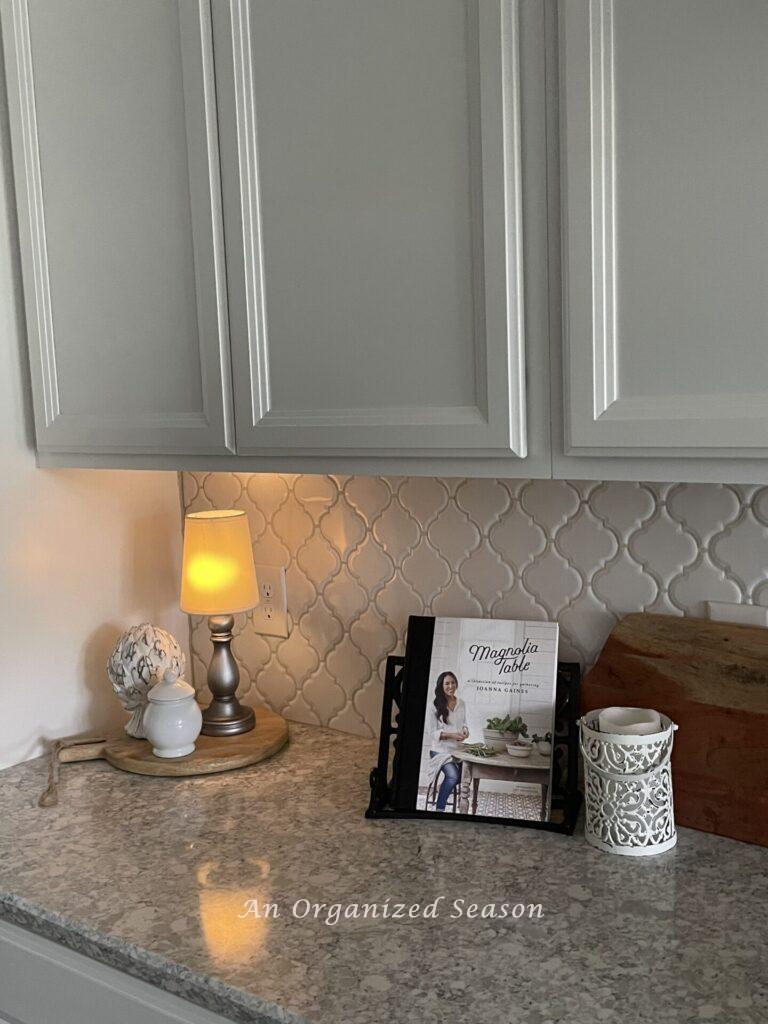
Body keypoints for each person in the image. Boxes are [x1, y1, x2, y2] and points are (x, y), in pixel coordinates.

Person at [427, 671, 469, 811]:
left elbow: (463, 723)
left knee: (467, 775)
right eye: (447, 683)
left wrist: (465, 730)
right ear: (441, 686)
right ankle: (440, 809)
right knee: (453, 776)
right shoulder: (433, 706)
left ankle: (442, 788)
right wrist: (452, 735)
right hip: (440, 751)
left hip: (457, 750)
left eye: (453, 682)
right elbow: (432, 733)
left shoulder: (461, 703)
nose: (451, 686)